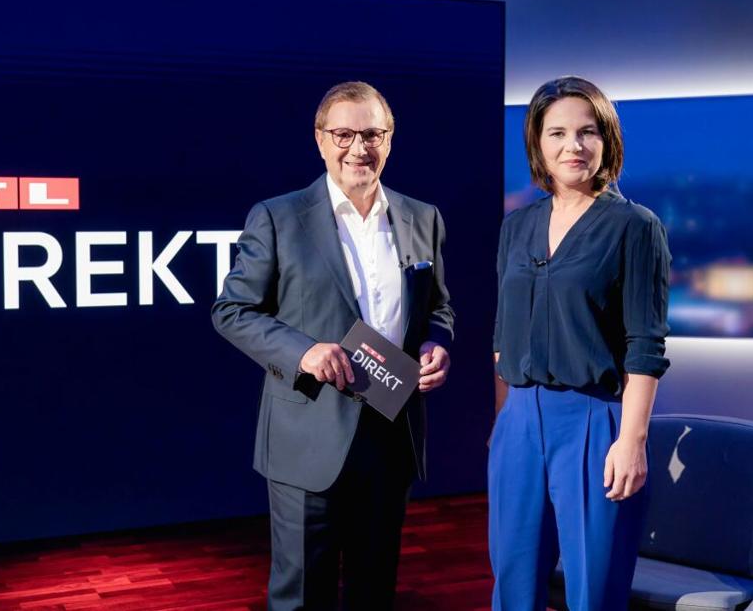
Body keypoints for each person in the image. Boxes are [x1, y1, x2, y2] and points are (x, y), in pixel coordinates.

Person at [212, 81, 454, 610]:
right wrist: (303, 352)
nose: (358, 148)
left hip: (391, 434)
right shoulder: (278, 217)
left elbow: (437, 306)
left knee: (374, 590)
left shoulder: (422, 217)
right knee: (302, 596)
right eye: (344, 134)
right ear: (320, 140)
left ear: (389, 140)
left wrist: (437, 342)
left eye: (372, 135)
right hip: (308, 435)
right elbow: (232, 311)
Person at [489, 76, 671, 610]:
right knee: (513, 584)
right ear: (537, 143)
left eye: (588, 132)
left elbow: (645, 345)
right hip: (519, 421)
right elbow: (503, 336)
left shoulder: (635, 226)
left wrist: (632, 440)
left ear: (607, 140)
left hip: (595, 422)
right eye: (558, 133)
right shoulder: (516, 226)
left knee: (594, 589)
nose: (574, 145)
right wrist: (502, 426)